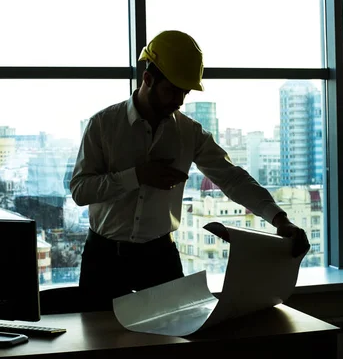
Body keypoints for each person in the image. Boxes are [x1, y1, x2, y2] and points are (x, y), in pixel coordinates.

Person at [69, 30, 310, 310]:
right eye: (172, 90)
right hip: (104, 257)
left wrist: (279, 219)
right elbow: (80, 190)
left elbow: (231, 178)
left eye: (184, 91)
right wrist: (138, 176)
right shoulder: (103, 125)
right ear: (148, 79)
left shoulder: (188, 133)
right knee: (97, 345)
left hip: (159, 257)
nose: (180, 100)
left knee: (173, 346)